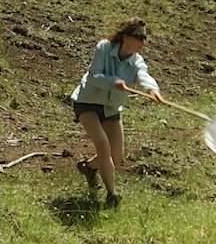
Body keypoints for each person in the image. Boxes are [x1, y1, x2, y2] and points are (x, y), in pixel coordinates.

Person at [68, 19, 161, 205]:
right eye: (139, 37)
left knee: (115, 157)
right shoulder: (104, 47)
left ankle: (88, 167)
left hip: (111, 108)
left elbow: (143, 76)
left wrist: (152, 90)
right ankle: (112, 195)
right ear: (126, 37)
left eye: (145, 38)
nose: (142, 41)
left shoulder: (137, 61)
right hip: (88, 102)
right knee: (103, 145)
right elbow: (95, 76)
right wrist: (113, 81)